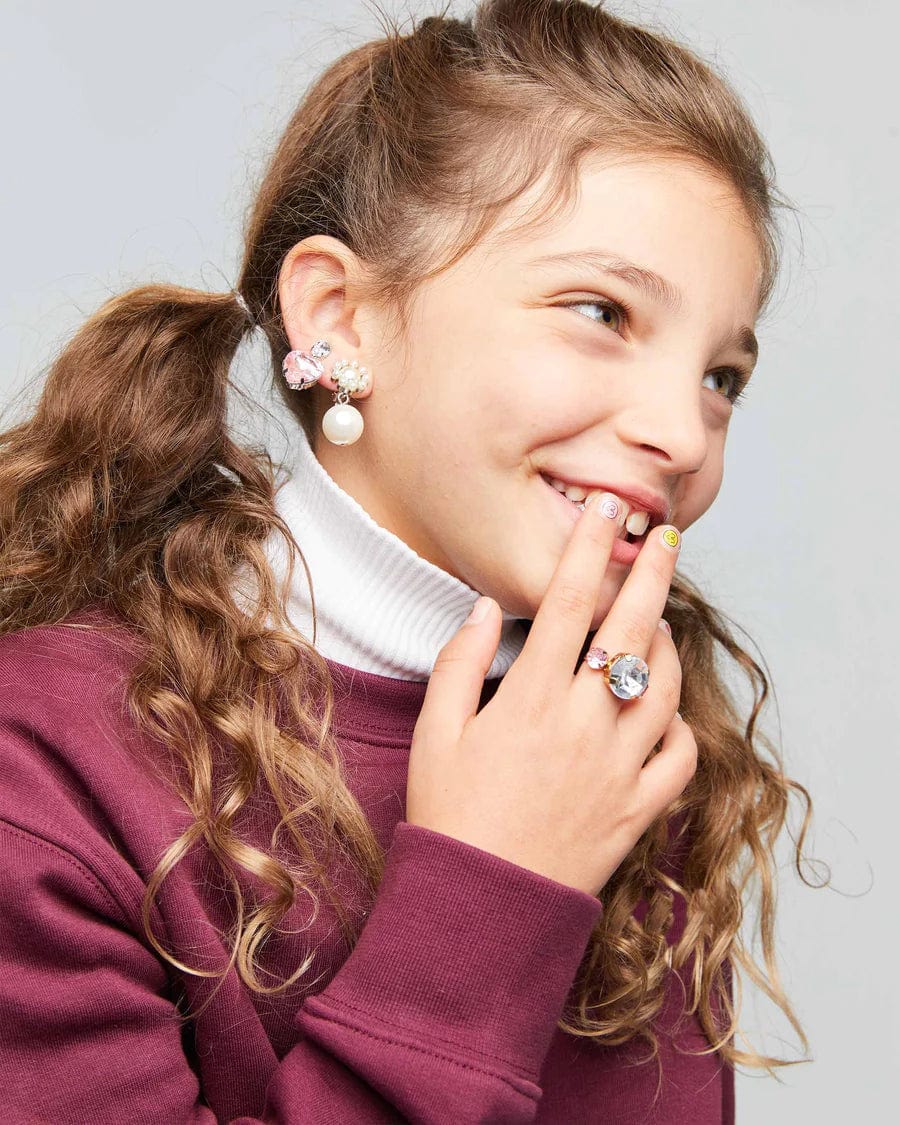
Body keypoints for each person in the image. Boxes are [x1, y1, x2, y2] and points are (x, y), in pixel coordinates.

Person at [0, 0, 816, 1121]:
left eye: (722, 378)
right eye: (601, 311)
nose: (683, 435)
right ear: (339, 318)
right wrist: (494, 891)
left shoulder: (626, 744)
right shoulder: (47, 764)